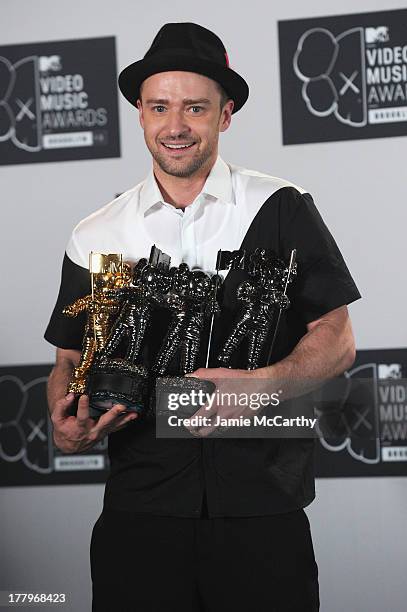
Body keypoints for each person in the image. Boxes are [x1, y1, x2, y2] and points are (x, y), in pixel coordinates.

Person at [44, 22, 361, 612]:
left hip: (263, 507)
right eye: (159, 107)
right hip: (141, 511)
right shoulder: (97, 233)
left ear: (226, 114)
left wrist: (261, 388)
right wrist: (64, 421)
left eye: (195, 107)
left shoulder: (281, 207)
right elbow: (67, 359)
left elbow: (338, 340)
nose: (175, 126)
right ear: (139, 113)